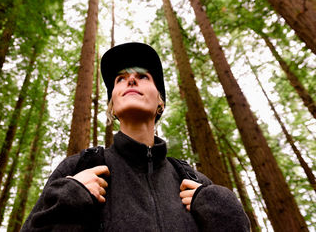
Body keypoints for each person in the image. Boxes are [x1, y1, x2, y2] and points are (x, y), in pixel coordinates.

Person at [21, 42, 250, 231]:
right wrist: (68, 197)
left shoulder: (192, 182)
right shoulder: (78, 169)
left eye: (143, 76)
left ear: (160, 102)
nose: (130, 80)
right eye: (120, 79)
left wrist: (225, 211)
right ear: (112, 105)